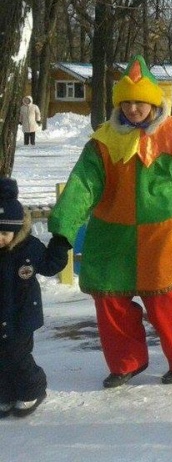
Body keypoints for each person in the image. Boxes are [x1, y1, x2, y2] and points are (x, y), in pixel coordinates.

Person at [48, 55, 172, 388]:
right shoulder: (103, 140)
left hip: (164, 228)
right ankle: (127, 361)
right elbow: (83, 184)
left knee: (160, 296)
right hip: (112, 230)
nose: (133, 109)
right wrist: (63, 230)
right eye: (126, 103)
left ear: (154, 103)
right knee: (109, 296)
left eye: (140, 102)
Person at [0, 178, 71, 418]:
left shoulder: (28, 248)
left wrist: (60, 243)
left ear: (17, 230)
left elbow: (50, 265)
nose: (0, 238)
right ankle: (6, 394)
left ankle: (33, 389)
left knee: (18, 356)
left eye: (4, 232)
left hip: (21, 316)